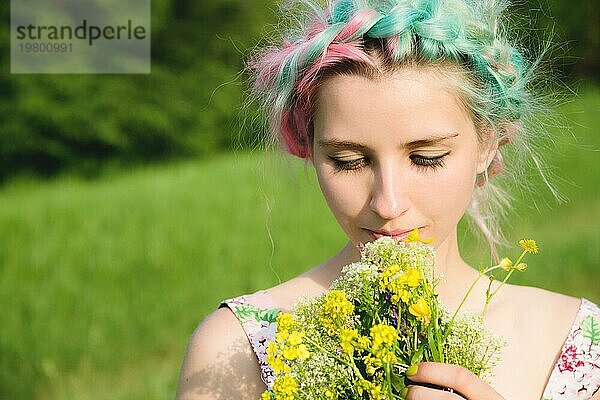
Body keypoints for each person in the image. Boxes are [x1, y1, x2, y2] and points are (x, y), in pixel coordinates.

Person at [176, 0, 600, 399]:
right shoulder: (237, 351)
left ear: (487, 143)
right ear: (308, 146)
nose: (388, 203)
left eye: (425, 158)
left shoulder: (576, 345)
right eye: (347, 160)